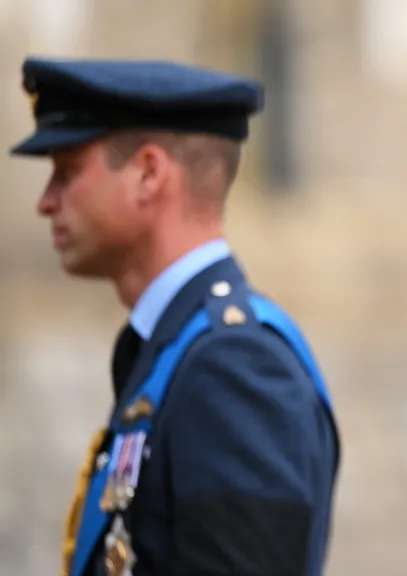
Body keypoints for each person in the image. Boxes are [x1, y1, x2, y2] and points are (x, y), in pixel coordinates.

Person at [9, 57, 340, 576]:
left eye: (66, 171)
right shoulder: (177, 347)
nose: (45, 202)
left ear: (148, 173)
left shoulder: (234, 365)